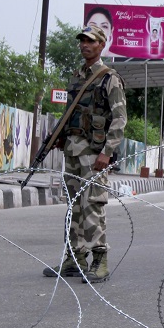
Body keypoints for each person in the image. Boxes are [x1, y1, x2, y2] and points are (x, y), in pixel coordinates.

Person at [42, 23, 127, 283]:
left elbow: (119, 118)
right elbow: (72, 113)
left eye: (90, 41)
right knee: (74, 207)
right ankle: (74, 258)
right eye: (82, 40)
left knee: (92, 205)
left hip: (94, 153)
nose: (84, 45)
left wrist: (107, 152)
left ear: (101, 45)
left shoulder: (108, 77)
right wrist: (60, 137)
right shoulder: (76, 76)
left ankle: (100, 260)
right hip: (72, 151)